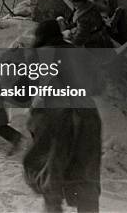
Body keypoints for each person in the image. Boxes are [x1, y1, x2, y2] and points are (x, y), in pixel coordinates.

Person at [23, 20, 102, 213]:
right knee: (86, 175)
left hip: (51, 117)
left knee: (48, 170)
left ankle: (53, 207)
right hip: (87, 117)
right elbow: (99, 85)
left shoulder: (38, 54)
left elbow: (21, 91)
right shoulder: (79, 52)